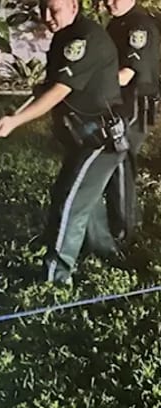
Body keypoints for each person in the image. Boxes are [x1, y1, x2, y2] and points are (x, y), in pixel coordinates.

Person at [0, 0, 127, 285]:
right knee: (79, 197)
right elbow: (57, 83)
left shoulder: (84, 38)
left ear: (74, 6)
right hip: (83, 136)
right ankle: (106, 252)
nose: (48, 17)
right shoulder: (65, 35)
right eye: (44, 9)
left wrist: (15, 121)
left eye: (55, 9)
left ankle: (55, 279)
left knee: (70, 203)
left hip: (99, 138)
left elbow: (59, 91)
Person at [102, 0, 160, 246]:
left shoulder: (138, 25)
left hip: (135, 104)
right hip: (119, 104)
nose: (107, 2)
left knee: (121, 164)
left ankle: (123, 234)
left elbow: (128, 74)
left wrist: (87, 86)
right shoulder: (119, 22)